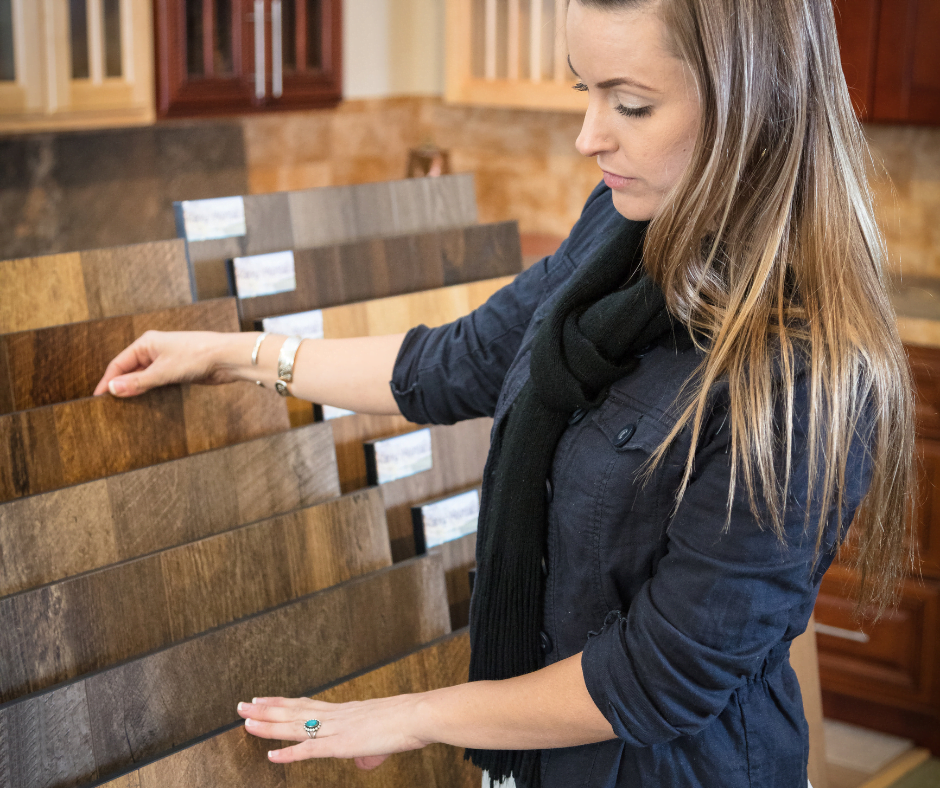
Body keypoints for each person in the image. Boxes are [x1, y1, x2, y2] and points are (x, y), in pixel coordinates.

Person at [94, 0, 916, 786]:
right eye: (582, 90)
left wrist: (413, 716)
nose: (589, 137)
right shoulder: (619, 227)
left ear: (754, 108)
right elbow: (458, 362)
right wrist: (233, 354)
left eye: (630, 105)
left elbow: (661, 674)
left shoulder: (808, 364)